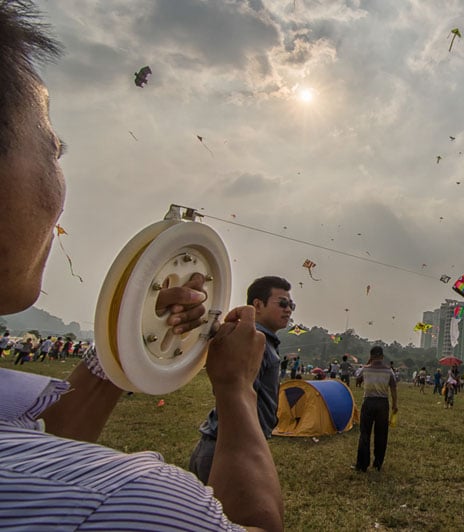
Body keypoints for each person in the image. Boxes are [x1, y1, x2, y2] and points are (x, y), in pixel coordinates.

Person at [0, 3, 282, 528]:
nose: (60, 175)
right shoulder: (129, 499)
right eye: (53, 151)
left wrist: (135, 325)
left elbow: (44, 441)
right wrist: (236, 390)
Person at [190, 275, 293, 484]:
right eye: (282, 303)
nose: (288, 309)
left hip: (232, 443)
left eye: (291, 304)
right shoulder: (251, 342)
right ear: (257, 305)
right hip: (230, 446)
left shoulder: (265, 343)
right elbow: (236, 395)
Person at [354, 346, 398, 472]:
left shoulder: (365, 369)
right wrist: (395, 404)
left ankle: (362, 464)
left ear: (371, 356)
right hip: (383, 404)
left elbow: (358, 379)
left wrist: (368, 363)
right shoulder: (389, 371)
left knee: (365, 434)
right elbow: (393, 388)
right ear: (382, 357)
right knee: (381, 434)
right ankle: (378, 463)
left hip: (368, 402)